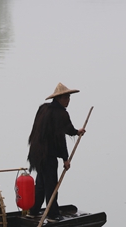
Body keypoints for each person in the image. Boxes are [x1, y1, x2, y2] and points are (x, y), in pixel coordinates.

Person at [27, 82, 86, 220]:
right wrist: (65, 159)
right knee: (51, 185)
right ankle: (53, 214)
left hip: (37, 154)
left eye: (69, 98)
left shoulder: (43, 109)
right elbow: (60, 138)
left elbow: (68, 130)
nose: (68, 101)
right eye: (66, 98)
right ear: (59, 99)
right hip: (47, 155)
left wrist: (77, 132)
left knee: (41, 183)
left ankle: (34, 211)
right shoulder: (61, 113)